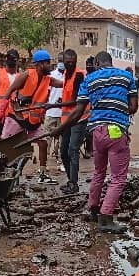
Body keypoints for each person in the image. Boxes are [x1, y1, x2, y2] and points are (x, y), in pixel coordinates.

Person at [50, 50, 138, 232]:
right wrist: (118, 109)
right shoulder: (126, 77)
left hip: (96, 132)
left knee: (99, 172)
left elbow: (78, 111)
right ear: (110, 62)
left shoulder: (89, 80)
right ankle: (105, 218)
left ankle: (92, 208)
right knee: (118, 178)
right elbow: (133, 107)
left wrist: (59, 129)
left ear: (97, 63)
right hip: (115, 132)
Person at [0, 49, 61, 183]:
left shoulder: (47, 79)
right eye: (47, 63)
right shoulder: (26, 75)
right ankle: (2, 173)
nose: (50, 66)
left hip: (33, 121)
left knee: (43, 143)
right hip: (17, 117)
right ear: (39, 64)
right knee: (6, 146)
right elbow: (10, 90)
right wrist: (2, 107)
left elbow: (63, 84)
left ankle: (43, 173)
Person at [58, 49, 85, 195]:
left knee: (72, 150)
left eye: (72, 62)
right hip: (68, 119)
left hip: (79, 119)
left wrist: (58, 104)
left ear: (75, 61)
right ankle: (70, 180)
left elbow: (75, 99)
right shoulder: (66, 75)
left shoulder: (79, 75)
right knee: (63, 152)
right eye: (67, 62)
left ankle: (73, 183)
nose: (69, 64)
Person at [42, 55, 65, 160]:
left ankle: (59, 159)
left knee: (61, 139)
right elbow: (46, 93)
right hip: (51, 112)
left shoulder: (68, 76)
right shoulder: (51, 75)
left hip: (63, 113)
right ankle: (44, 161)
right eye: (60, 61)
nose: (62, 63)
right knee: (47, 137)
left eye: (63, 61)